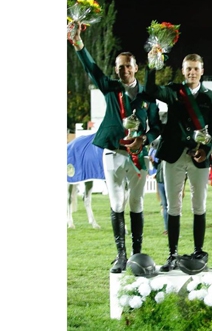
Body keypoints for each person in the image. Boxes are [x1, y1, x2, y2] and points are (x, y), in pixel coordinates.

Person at [69, 22, 162, 273]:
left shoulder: (148, 95)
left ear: (136, 67)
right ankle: (121, 255)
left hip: (139, 155)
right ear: (116, 70)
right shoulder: (110, 87)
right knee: (116, 202)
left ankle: (136, 253)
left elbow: (156, 126)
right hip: (112, 153)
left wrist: (144, 138)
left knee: (137, 202)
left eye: (128, 66)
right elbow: (91, 68)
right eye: (119, 67)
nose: (124, 71)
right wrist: (78, 44)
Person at [145, 54, 212, 272]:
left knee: (199, 205)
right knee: (173, 206)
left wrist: (205, 150)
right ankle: (172, 254)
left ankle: (198, 252)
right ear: (183, 70)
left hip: (198, 157)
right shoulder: (173, 90)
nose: (192, 73)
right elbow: (150, 90)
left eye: (195, 69)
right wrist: (152, 65)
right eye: (188, 69)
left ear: (202, 70)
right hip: (173, 155)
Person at [149, 138, 168, 234]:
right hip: (160, 181)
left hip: (167, 181)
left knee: (169, 205)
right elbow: (157, 167)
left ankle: (170, 228)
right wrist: (153, 162)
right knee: (164, 205)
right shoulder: (160, 158)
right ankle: (167, 228)